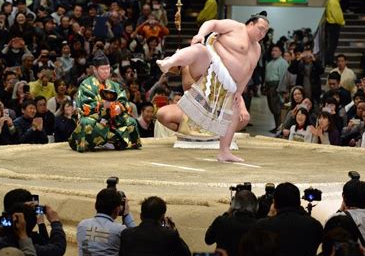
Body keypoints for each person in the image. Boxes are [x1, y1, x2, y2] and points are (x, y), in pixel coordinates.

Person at [156, 12, 269, 162]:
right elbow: (212, 23)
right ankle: (169, 62)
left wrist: (239, 92)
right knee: (200, 49)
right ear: (251, 24)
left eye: (265, 31)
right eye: (260, 28)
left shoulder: (257, 49)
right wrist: (200, 35)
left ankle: (224, 152)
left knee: (234, 113)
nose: (262, 33)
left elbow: (249, 70)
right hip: (209, 71)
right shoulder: (235, 27)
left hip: (228, 86)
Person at [69, 51, 141, 152]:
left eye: (108, 68)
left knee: (131, 122)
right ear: (95, 69)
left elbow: (124, 101)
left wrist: (119, 108)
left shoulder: (115, 85)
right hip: (95, 119)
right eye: (103, 69)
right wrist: (103, 106)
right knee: (86, 123)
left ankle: (112, 141)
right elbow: (86, 106)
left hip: (114, 119)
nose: (106, 71)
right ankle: (106, 141)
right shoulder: (86, 85)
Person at [255, 182, 323, 256]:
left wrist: (269, 215)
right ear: (299, 202)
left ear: (274, 203)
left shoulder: (262, 226)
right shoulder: (314, 225)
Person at [119, 196, 191, 256]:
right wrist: (172, 229)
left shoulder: (126, 234)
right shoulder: (169, 235)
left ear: (141, 216)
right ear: (162, 217)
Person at [77, 188, 136, 256]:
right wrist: (127, 214)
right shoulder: (119, 230)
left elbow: (100, 237)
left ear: (95, 205)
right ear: (117, 210)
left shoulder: (82, 225)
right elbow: (139, 241)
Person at [205, 190, 258, 256]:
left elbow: (208, 240)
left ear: (234, 206)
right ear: (256, 206)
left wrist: (227, 212)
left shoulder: (221, 221)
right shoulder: (260, 225)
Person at [265, 44, 288, 133]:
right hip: (269, 86)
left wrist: (281, 89)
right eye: (272, 50)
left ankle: (279, 127)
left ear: (281, 52)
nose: (273, 52)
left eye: (276, 51)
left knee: (278, 108)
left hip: (277, 86)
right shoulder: (270, 63)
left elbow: (283, 77)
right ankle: (276, 126)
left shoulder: (283, 63)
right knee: (273, 107)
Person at [325, 0, 345, 67]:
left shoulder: (332, 0)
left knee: (332, 44)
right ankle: (329, 61)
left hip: (332, 25)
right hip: (333, 25)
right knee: (332, 44)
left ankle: (329, 60)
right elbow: (337, 15)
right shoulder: (333, 1)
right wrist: (342, 22)